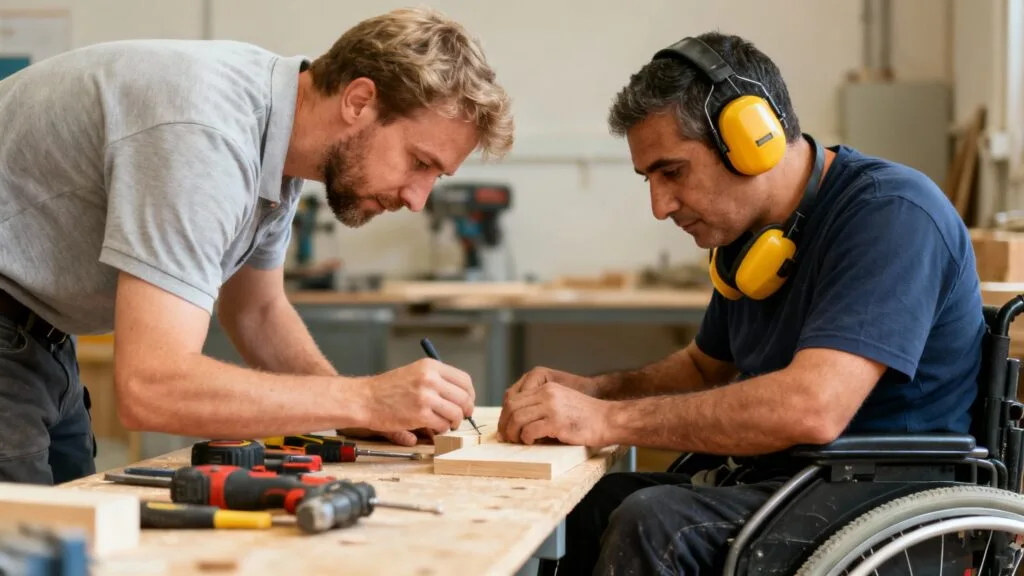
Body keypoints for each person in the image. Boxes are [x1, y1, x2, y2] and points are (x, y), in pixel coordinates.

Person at [498, 31, 983, 574]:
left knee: (655, 523)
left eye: (672, 172)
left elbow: (813, 406)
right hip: (792, 484)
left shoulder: (891, 215)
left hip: (882, 507)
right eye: (649, 179)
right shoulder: (752, 241)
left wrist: (609, 420)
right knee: (588, 507)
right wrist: (594, 391)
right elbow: (703, 366)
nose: (660, 206)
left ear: (752, 137)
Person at [0, 6, 514, 485]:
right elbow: (150, 386)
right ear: (359, 101)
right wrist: (365, 399)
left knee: (71, 542)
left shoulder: (280, 135)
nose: (418, 198)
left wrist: (363, 414)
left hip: (43, 336)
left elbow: (256, 312)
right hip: (10, 323)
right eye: (419, 162)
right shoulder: (207, 134)